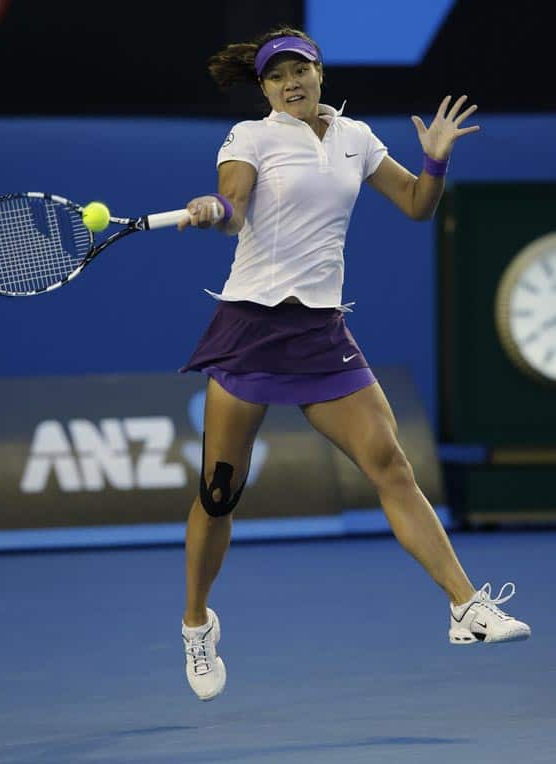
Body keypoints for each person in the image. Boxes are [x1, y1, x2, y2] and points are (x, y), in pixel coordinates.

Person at [177, 26, 531, 702]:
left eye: (299, 71)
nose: (290, 84)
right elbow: (235, 202)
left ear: (319, 73)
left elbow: (416, 207)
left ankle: (466, 609)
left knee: (391, 463)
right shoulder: (249, 139)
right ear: (264, 88)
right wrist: (216, 209)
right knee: (220, 492)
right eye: (276, 77)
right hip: (251, 325)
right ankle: (197, 623)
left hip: (319, 330)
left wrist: (434, 163)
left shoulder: (357, 138)